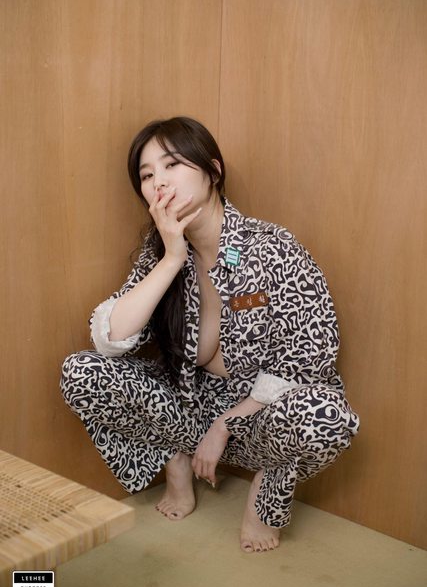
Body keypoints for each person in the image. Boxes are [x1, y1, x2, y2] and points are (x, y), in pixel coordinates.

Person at [60, 116, 359, 554]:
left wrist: (226, 424)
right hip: (188, 411)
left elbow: (311, 356)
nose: (159, 182)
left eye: (172, 165)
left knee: (326, 414)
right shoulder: (159, 252)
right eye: (147, 175)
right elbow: (109, 338)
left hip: (257, 419)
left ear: (213, 172)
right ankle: (175, 459)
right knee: (80, 373)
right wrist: (171, 259)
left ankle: (267, 491)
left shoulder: (272, 247)